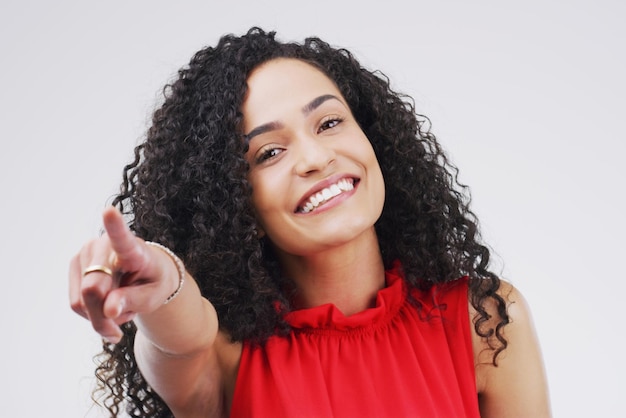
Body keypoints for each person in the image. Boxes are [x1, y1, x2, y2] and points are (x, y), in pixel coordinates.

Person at [69, 27, 551, 417]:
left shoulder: (485, 321)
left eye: (329, 123)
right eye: (270, 152)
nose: (317, 157)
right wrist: (163, 281)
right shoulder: (225, 360)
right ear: (237, 204)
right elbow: (178, 338)